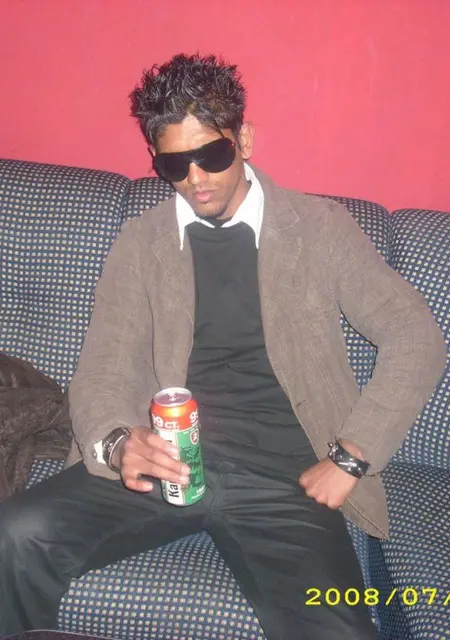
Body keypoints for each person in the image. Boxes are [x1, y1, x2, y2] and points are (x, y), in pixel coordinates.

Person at [0, 53, 446, 640]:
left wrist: (352, 457)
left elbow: (415, 334)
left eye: (211, 154)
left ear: (245, 140)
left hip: (288, 481)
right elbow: (103, 368)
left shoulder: (320, 228)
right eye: (174, 164)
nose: (196, 179)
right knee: (14, 536)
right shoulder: (141, 244)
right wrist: (117, 442)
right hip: (171, 464)